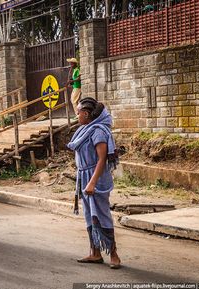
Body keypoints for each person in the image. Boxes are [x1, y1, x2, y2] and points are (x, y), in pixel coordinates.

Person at [67, 97, 121, 269]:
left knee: (102, 215)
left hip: (96, 177)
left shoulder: (98, 131)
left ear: (86, 114)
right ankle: (95, 253)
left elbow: (102, 159)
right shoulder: (84, 130)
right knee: (90, 215)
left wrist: (92, 182)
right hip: (84, 176)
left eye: (78, 113)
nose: (77, 116)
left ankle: (114, 254)